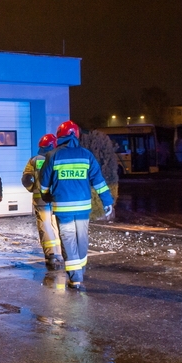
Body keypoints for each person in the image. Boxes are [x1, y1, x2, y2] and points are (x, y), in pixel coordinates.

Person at [38, 120, 114, 290]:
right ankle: (80, 271)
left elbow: (44, 183)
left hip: (63, 208)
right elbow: (99, 181)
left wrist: (46, 195)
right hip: (82, 208)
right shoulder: (86, 155)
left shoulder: (53, 155)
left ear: (60, 137)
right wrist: (107, 201)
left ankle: (75, 278)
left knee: (68, 240)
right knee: (82, 239)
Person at [21, 133, 63, 270]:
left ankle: (51, 255)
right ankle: (59, 253)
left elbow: (26, 178)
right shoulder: (58, 157)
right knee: (55, 225)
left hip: (40, 199)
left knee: (45, 226)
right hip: (56, 199)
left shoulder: (34, 160)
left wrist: (33, 189)